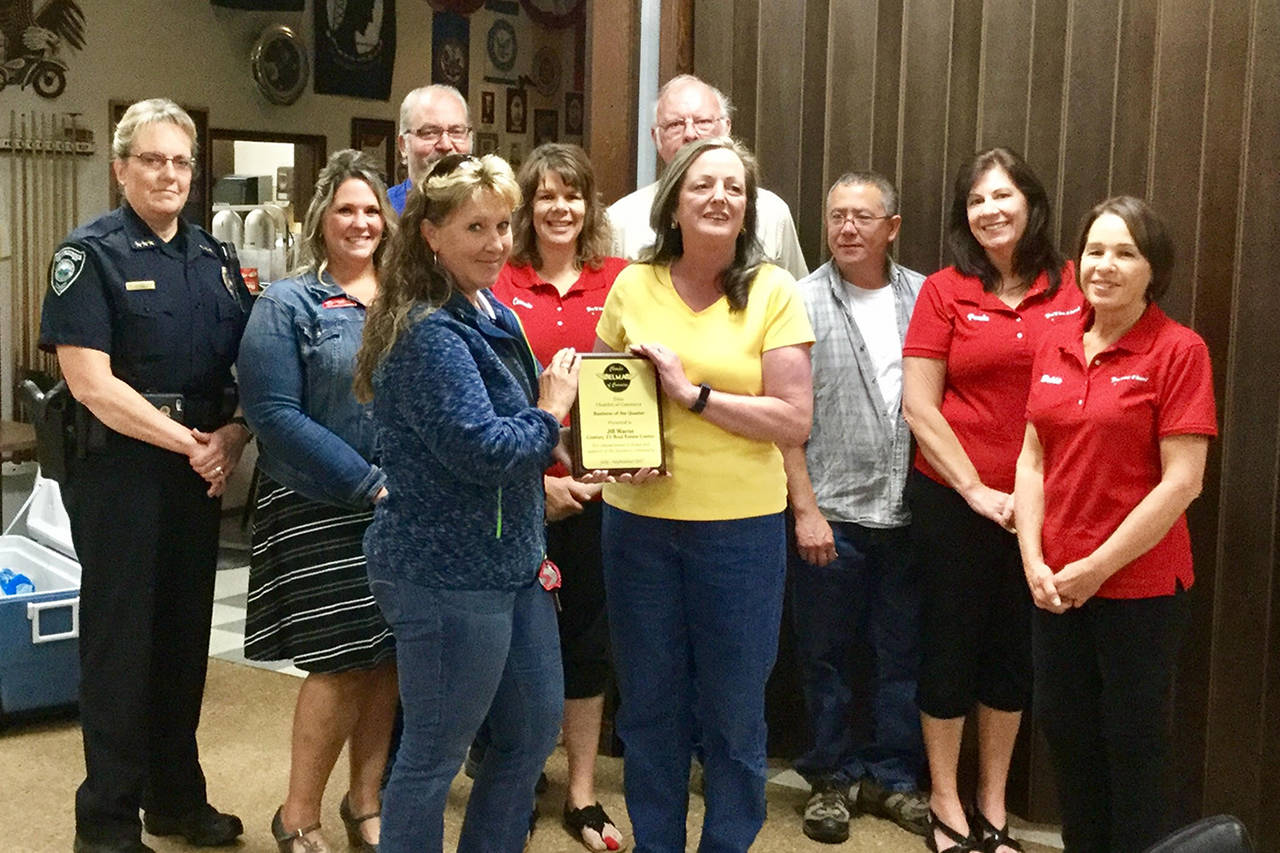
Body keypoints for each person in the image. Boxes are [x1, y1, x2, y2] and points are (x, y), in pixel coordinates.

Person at [38, 98, 251, 853]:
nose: (168, 174)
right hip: (123, 472)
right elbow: (90, 382)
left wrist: (228, 435)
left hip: (198, 471)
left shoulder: (216, 260)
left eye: (181, 161)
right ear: (121, 167)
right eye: (152, 159)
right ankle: (106, 820)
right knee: (120, 646)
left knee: (182, 640)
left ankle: (174, 798)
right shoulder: (89, 254)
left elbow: (245, 371)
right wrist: (187, 443)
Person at [352, 153, 580, 853]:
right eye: (474, 226)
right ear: (430, 234)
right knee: (432, 754)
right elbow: (480, 449)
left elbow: (508, 433)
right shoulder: (427, 331)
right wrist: (550, 413)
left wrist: (555, 441)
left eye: (503, 225)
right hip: (443, 572)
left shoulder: (488, 309)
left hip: (509, 561)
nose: (495, 242)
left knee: (532, 731)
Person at [595, 136, 814, 852]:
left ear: (749, 208)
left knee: (733, 712)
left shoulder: (775, 290)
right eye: (703, 185)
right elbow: (608, 392)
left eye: (735, 188)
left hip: (741, 533)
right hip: (639, 528)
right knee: (649, 709)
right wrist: (609, 452)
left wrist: (693, 395)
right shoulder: (633, 284)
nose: (719, 197)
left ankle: (727, 843)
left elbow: (793, 417)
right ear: (675, 202)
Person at [1014, 197, 1216, 853]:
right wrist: (1033, 562)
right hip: (1055, 585)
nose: (1105, 265)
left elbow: (1183, 480)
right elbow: (1032, 456)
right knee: (1066, 734)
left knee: (1133, 744)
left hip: (1139, 590)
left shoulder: (1179, 350)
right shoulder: (1056, 338)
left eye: (1125, 252)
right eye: (1095, 250)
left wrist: (1097, 567)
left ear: (1153, 269)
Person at [901, 147, 1082, 853]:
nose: (991, 211)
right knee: (948, 649)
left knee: (1014, 655)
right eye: (977, 201)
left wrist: (1023, 497)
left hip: (1046, 504)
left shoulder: (1073, 287)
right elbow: (920, 403)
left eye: (1003, 196)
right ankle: (944, 802)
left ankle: (993, 804)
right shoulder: (945, 291)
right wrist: (977, 489)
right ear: (963, 215)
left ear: (1031, 203)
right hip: (953, 499)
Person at [236, 150, 399, 853]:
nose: (360, 222)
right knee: (338, 663)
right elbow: (273, 413)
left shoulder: (407, 299)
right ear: (320, 220)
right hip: (316, 503)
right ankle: (296, 815)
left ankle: (366, 804)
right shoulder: (287, 302)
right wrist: (366, 479)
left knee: (389, 658)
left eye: (371, 210)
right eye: (346, 210)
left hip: (402, 507)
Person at [490, 143, 629, 851]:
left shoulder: (623, 280)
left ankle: (580, 789)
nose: (559, 208)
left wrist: (607, 472)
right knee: (514, 639)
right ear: (526, 206)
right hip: (518, 490)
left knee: (586, 638)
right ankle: (514, 782)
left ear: (589, 205)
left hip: (602, 495)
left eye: (572, 195)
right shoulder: (497, 282)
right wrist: (540, 481)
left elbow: (644, 389)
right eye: (545, 195)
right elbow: (483, 396)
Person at [783, 172, 928, 843]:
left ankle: (894, 777)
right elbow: (787, 423)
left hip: (908, 513)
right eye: (837, 215)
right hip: (830, 511)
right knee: (827, 655)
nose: (847, 228)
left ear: (891, 227)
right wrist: (804, 509)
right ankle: (831, 778)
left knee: (902, 655)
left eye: (862, 217)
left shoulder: (925, 298)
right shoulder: (798, 300)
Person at [607, 74, 808, 280]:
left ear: (726, 128)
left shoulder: (773, 213)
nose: (690, 134)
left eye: (702, 122)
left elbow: (798, 296)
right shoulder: (621, 220)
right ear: (656, 137)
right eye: (675, 124)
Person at [388, 84, 473, 213]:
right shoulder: (383, 211)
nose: (445, 145)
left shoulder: (491, 208)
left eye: (456, 132)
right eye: (430, 133)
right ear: (403, 145)